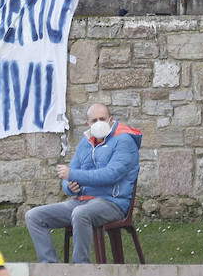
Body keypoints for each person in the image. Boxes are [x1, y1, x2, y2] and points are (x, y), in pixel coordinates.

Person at [25, 103, 142, 263]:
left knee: (81, 213)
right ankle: (50, 267)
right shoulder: (85, 143)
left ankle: (81, 268)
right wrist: (71, 187)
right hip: (80, 201)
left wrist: (73, 175)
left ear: (111, 120)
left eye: (102, 119)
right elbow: (68, 178)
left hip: (112, 202)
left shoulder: (124, 141)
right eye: (94, 120)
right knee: (33, 216)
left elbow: (110, 175)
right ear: (88, 124)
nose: (98, 123)